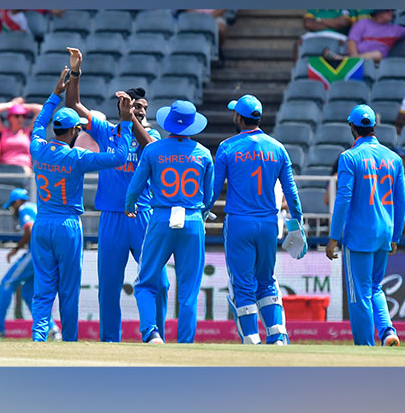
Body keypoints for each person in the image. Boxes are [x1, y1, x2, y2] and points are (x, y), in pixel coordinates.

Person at [65, 47, 169, 343]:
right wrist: (76, 71)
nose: (140, 112)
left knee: (158, 282)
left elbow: (149, 149)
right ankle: (110, 340)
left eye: (143, 109)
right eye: (135, 107)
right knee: (109, 284)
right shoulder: (104, 130)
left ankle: (154, 334)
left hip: (144, 215)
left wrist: (130, 120)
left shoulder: (155, 138)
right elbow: (73, 105)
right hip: (111, 216)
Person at [29, 68, 134, 342]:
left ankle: (39, 337)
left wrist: (55, 94)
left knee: (43, 287)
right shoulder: (78, 157)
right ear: (75, 130)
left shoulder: (37, 146)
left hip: (42, 223)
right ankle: (69, 340)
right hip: (67, 225)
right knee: (68, 288)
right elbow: (121, 156)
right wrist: (124, 122)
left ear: (56, 128)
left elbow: (39, 122)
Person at [207, 95, 306, 345]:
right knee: (267, 281)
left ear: (239, 117)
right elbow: (291, 192)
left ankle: (251, 339)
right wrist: (298, 223)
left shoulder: (227, 147)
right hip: (268, 223)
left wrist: (203, 212)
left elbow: (213, 189)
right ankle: (278, 336)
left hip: (239, 223)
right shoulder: (277, 148)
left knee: (242, 284)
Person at [126, 100, 214, 344]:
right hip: (193, 219)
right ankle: (185, 344)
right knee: (188, 290)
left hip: (161, 217)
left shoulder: (153, 150)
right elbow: (208, 198)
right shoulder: (203, 153)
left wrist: (129, 206)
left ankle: (151, 332)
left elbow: (135, 188)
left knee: (145, 282)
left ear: (168, 123)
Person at [326, 104, 405, 346]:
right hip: (384, 232)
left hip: (359, 234)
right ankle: (387, 332)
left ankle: (365, 349)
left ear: (352, 127)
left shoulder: (349, 157)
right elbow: (401, 202)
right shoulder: (393, 158)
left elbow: (342, 199)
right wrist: (396, 236)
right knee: (374, 287)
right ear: (373, 126)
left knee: (359, 293)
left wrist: (333, 237)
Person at [0, 188, 61, 340]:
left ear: (17, 201)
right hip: (47, 255)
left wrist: (16, 248)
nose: (13, 210)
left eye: (12, 205)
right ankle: (52, 329)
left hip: (36, 253)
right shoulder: (36, 206)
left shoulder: (24, 208)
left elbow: (30, 229)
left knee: (7, 283)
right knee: (28, 292)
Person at [325, 10, 405, 63]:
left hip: (376, 62)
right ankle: (347, 60)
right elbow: (351, 41)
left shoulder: (395, 29)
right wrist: (355, 59)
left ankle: (341, 59)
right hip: (356, 59)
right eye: (388, 10)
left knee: (378, 54)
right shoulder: (363, 22)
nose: (391, 13)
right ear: (378, 13)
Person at [0, 98, 43, 175]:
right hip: (4, 166)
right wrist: (11, 105)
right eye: (16, 116)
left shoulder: (28, 131)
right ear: (10, 118)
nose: (20, 119)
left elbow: (41, 109)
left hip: (23, 166)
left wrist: (21, 105)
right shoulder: (3, 130)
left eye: (23, 116)